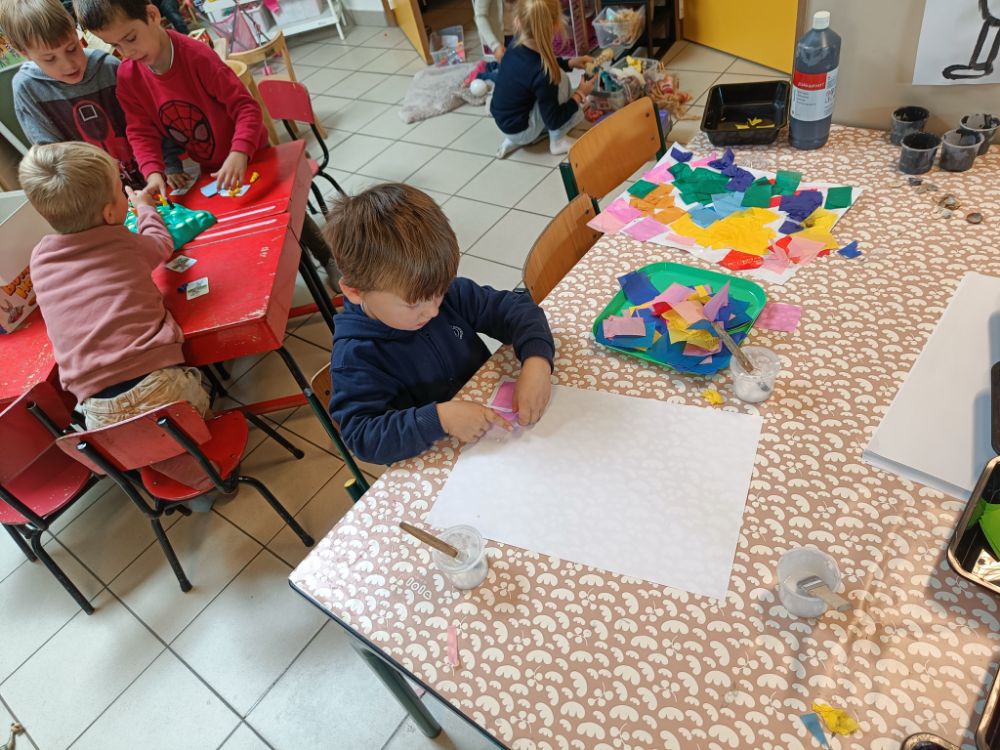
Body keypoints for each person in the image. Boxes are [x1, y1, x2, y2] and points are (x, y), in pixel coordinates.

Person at [323, 183, 555, 466]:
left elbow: (517, 310)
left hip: (496, 438)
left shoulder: (444, 294)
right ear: (355, 291)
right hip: (442, 464)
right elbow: (363, 436)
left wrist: (537, 362)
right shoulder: (356, 356)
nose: (433, 310)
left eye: (439, 293)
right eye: (414, 304)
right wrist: (439, 419)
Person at [19, 142, 211, 432]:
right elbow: (162, 243)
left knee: (146, 443)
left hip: (97, 411)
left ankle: (165, 453)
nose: (125, 196)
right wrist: (144, 208)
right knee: (198, 403)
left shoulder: (39, 259)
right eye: (121, 192)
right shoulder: (122, 242)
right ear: (109, 214)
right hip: (161, 386)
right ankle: (199, 447)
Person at [75, 0, 267, 198]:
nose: (127, 52)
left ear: (152, 15)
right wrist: (153, 173)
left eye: (131, 38)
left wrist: (240, 151)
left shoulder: (197, 56)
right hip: (212, 169)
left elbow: (246, 107)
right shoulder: (128, 77)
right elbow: (140, 132)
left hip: (253, 154)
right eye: (115, 45)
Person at [0, 0, 185, 190]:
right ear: (24, 52)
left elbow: (147, 122)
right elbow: (54, 157)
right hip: (95, 192)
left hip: (151, 178)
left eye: (72, 48)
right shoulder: (26, 89)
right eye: (50, 59)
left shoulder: (109, 67)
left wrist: (169, 164)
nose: (69, 65)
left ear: (75, 30)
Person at [489, 0, 593, 158]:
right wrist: (579, 94)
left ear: (518, 22)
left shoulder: (514, 46)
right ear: (556, 26)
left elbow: (534, 65)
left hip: (505, 123)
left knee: (552, 78)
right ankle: (557, 142)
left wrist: (570, 63)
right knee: (561, 79)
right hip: (522, 130)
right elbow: (554, 120)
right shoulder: (544, 72)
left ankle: (515, 139)